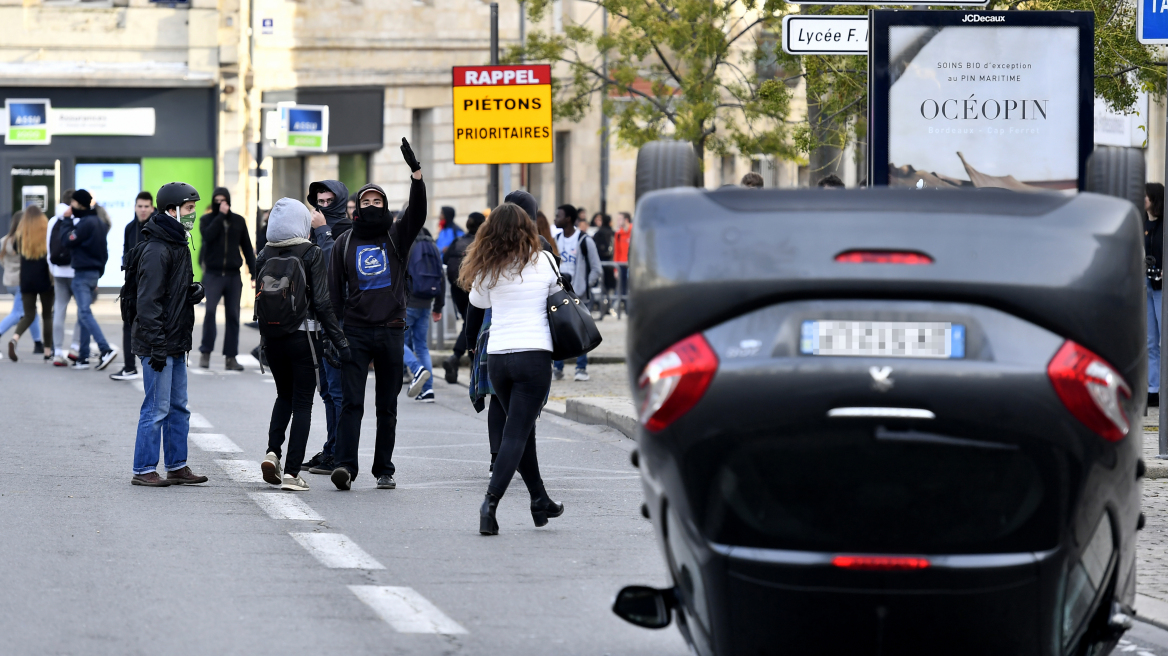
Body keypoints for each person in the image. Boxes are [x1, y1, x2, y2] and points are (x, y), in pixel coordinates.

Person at [327, 138, 426, 491]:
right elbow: (335, 293)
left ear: (384, 205)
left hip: (391, 331)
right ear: (356, 207)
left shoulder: (396, 236)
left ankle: (384, 468)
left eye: (377, 201)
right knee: (351, 404)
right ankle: (344, 466)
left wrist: (416, 176)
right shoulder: (344, 243)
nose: (371, 205)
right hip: (354, 331)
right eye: (365, 201)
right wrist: (334, 334)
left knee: (387, 406)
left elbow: (418, 214)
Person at [460, 202, 564, 535]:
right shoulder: (544, 260)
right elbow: (557, 295)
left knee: (522, 431)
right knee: (517, 432)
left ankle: (539, 500)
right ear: (528, 229)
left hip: (500, 358)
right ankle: (490, 504)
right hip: (534, 354)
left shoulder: (487, 267)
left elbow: (478, 305)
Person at [256, 198, 350, 491]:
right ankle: (292, 473)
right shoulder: (310, 252)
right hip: (304, 337)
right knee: (303, 404)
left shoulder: (264, 253)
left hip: (272, 338)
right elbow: (321, 302)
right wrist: (341, 342)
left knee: (282, 396)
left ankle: (273, 453)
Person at [130, 182, 209, 487]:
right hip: (158, 343)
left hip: (175, 340)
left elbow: (170, 293)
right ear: (171, 210)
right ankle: (144, 468)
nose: (193, 214)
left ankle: (177, 465)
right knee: (156, 407)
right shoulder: (157, 248)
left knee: (179, 407)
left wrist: (191, 292)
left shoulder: (178, 243)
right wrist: (157, 344)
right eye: (189, 209)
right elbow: (147, 303)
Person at [299, 179, 351, 476]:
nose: (322, 207)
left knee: (338, 391)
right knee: (327, 392)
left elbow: (335, 269)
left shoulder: (343, 231)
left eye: (329, 201)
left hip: (338, 321)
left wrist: (323, 232)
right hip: (314, 320)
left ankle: (339, 453)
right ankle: (331, 447)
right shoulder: (314, 231)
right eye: (318, 201)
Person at [198, 187, 256, 371]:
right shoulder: (206, 220)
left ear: (229, 202)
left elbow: (247, 247)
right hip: (213, 275)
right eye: (217, 201)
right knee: (210, 312)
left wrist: (254, 273)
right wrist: (220, 216)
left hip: (232, 275)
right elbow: (207, 237)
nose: (221, 204)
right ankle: (205, 353)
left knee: (233, 316)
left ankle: (231, 357)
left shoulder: (238, 221)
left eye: (224, 201)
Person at [66, 189, 118, 371]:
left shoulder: (85, 223)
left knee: (85, 313)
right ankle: (83, 357)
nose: (71, 206)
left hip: (82, 273)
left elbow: (68, 241)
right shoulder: (99, 223)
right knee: (82, 315)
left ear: (79, 204)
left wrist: (66, 221)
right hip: (93, 273)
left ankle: (105, 349)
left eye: (73, 203)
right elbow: (104, 252)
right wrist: (99, 273)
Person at [553, 204, 601, 381]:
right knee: (558, 329)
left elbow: (596, 268)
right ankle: (558, 368)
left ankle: (581, 368)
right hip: (558, 292)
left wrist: (584, 286)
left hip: (579, 293)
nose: (555, 219)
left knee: (581, 330)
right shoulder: (555, 239)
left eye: (558, 216)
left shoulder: (584, 240)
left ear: (568, 219)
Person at [110, 191, 154, 381]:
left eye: (146, 206)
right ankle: (129, 367)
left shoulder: (157, 227)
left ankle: (154, 368)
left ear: (152, 208)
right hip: (133, 286)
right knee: (128, 325)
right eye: (140, 206)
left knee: (152, 327)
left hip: (153, 287)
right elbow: (125, 253)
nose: (143, 210)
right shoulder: (130, 228)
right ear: (135, 207)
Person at [441, 211, 484, 384]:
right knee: (471, 323)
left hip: (457, 288)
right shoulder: (482, 243)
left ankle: (458, 358)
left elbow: (445, 259)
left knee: (469, 322)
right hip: (476, 289)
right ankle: (459, 358)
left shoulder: (457, 241)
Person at [403, 225, 445, 403]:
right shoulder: (433, 246)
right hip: (427, 303)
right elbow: (440, 276)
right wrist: (438, 307)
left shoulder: (407, 245)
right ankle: (428, 391)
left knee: (396, 341)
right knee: (422, 346)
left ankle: (416, 369)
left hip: (408, 303)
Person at [7, 206, 53, 362]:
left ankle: (14, 338)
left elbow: (15, 249)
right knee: (47, 315)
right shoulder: (47, 233)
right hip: (45, 279)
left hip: (26, 279)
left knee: (28, 315)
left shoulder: (21, 236)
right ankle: (47, 351)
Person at [0, 211, 44, 356]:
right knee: (18, 312)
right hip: (22, 282)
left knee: (31, 312)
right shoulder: (24, 241)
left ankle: (38, 343)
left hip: (9, 281)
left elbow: (2, 261)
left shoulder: (4, 240)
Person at [47, 191, 81, 366]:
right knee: (82, 311)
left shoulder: (54, 220)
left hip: (59, 272)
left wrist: (53, 271)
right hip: (77, 273)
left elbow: (48, 249)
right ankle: (75, 348)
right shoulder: (78, 220)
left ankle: (58, 352)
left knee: (59, 310)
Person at [1147, 182, 1164, 408]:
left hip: (1162, 286)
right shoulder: (1143, 223)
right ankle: (1153, 390)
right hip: (1146, 284)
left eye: (1146, 196)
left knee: (1164, 339)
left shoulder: (1165, 225)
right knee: (1150, 341)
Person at [592, 213, 616, 312]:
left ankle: (600, 305)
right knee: (610, 286)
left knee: (600, 285)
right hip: (611, 263)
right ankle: (609, 306)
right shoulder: (612, 233)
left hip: (599, 262)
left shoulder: (598, 233)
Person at [613, 212, 632, 312]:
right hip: (621, 264)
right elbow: (617, 252)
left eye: (620, 219)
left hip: (631, 265)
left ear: (626, 220)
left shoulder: (634, 231)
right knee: (621, 287)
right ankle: (621, 308)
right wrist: (615, 268)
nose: (618, 221)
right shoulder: (618, 234)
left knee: (630, 288)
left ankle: (629, 308)